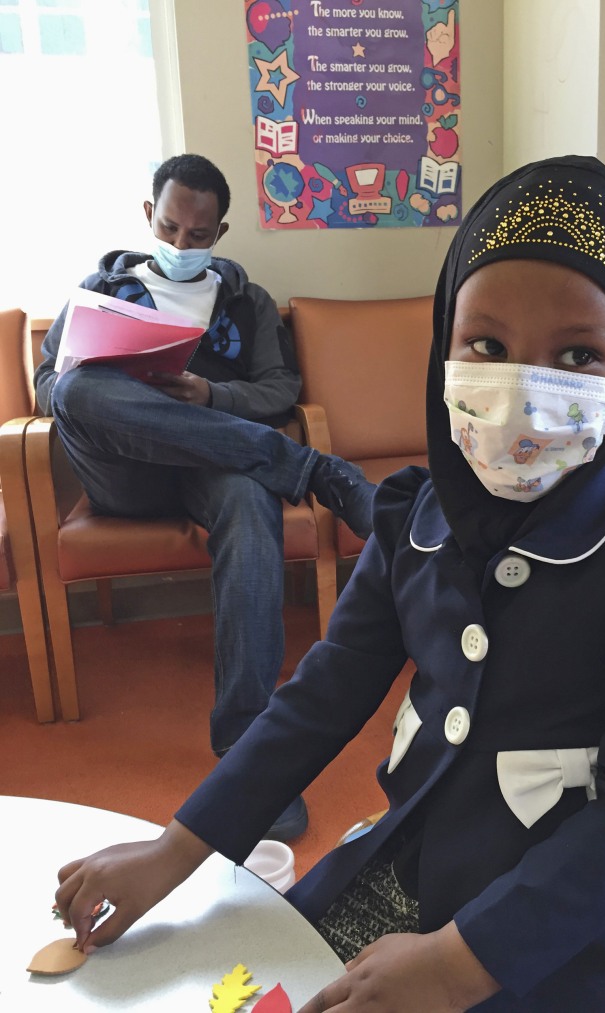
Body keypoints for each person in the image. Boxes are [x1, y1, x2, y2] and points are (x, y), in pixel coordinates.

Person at [54, 155, 605, 1011]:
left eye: (577, 355)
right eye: (487, 347)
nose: (521, 393)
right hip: (425, 864)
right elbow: (320, 697)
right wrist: (173, 851)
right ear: (445, 344)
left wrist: (463, 964)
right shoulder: (413, 514)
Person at [35, 153, 375, 843]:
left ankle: (251, 754)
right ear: (147, 216)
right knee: (77, 389)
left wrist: (209, 395)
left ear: (219, 231)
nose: (182, 245)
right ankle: (304, 467)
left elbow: (280, 386)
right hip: (122, 471)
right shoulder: (99, 288)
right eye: (169, 227)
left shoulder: (246, 301)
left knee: (251, 501)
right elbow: (49, 389)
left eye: (198, 235)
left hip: (213, 469)